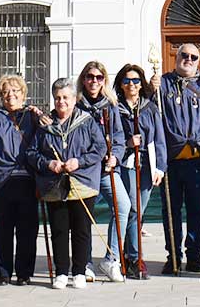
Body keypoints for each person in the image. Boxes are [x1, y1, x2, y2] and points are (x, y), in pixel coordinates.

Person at [27, 78, 107, 290]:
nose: (61, 102)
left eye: (66, 98)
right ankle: (62, 271)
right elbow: (32, 153)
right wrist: (48, 163)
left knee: (82, 229)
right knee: (59, 229)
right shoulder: (45, 125)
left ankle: (79, 271)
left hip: (81, 181)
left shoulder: (87, 121)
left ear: (74, 99)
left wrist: (78, 162)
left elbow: (99, 149)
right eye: (57, 98)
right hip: (54, 184)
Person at [0, 74, 43, 285]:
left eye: (15, 91)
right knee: (1, 229)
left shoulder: (33, 117)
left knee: (27, 230)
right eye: (5, 92)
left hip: (28, 181)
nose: (10, 95)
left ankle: (24, 273)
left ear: (23, 94)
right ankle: (3, 272)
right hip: (1, 181)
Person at [158, 43, 200, 273]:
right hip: (170, 159)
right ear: (176, 57)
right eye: (184, 55)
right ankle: (173, 256)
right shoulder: (162, 83)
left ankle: (194, 256)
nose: (188, 59)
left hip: (197, 158)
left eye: (193, 56)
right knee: (170, 210)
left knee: (196, 210)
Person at [112, 63, 167, 280]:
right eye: (127, 81)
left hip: (147, 164)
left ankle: (128, 255)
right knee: (133, 211)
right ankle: (134, 258)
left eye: (135, 80)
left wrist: (160, 168)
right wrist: (127, 142)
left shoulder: (150, 108)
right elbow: (111, 137)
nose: (131, 85)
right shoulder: (115, 109)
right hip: (125, 165)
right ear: (121, 84)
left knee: (138, 212)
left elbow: (160, 139)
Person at [76, 60, 124, 282]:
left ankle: (111, 257)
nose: (94, 81)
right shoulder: (76, 106)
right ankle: (84, 262)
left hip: (106, 169)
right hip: (85, 169)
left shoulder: (110, 105)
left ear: (104, 80)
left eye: (98, 77)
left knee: (123, 206)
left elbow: (119, 136)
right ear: (83, 80)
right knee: (84, 216)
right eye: (89, 77)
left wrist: (116, 156)